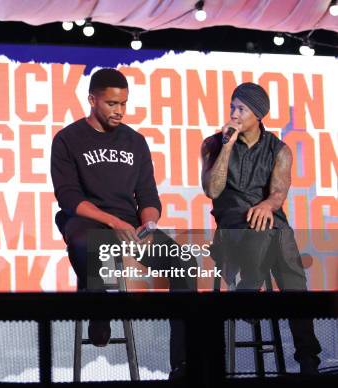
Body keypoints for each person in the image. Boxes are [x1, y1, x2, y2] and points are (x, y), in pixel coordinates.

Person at [50, 68, 195, 378]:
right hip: (88, 220)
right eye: (111, 104)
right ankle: (98, 308)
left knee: (185, 264)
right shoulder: (68, 139)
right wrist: (112, 221)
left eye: (123, 104)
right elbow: (69, 198)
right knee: (83, 244)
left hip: (130, 226)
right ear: (92, 100)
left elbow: (149, 196)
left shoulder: (135, 142)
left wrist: (149, 226)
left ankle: (183, 365)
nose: (118, 111)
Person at [201, 82, 322, 374]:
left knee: (278, 236)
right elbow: (212, 191)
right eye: (232, 107)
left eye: (240, 108)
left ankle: (247, 290)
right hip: (231, 232)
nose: (233, 113)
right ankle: (308, 358)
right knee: (279, 241)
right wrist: (228, 146)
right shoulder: (213, 144)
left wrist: (267, 205)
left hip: (270, 226)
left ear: (258, 114)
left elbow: (279, 194)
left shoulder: (279, 150)